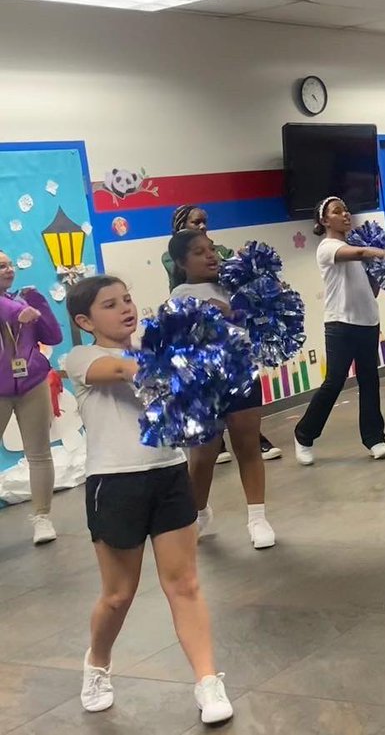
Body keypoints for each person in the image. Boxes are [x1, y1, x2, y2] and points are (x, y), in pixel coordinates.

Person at [65, 275, 233, 724]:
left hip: (169, 474)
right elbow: (120, 371)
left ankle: (207, 680)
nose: (124, 308)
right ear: (85, 320)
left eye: (127, 299)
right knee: (119, 595)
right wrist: (169, 364)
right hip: (114, 484)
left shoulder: (158, 345)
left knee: (185, 585)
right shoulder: (81, 357)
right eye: (109, 305)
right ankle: (97, 663)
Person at [168, 230, 275, 549]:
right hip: (204, 381)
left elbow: (260, 320)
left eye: (211, 249)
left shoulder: (233, 285)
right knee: (204, 455)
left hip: (241, 372)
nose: (210, 255)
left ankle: (257, 518)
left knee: (247, 445)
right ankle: (198, 514)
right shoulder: (180, 293)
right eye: (199, 252)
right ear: (180, 261)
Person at [162, 205, 281, 463]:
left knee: (245, 427)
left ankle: (252, 442)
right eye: (196, 222)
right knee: (204, 451)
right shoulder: (172, 259)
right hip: (204, 358)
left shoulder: (221, 257)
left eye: (205, 222)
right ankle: (214, 454)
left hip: (237, 360)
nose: (203, 226)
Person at [293, 197, 385, 466]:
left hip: (368, 322)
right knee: (334, 380)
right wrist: (384, 252)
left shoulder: (355, 249)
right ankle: (304, 434)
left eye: (347, 210)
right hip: (340, 323)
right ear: (325, 221)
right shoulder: (327, 247)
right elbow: (361, 254)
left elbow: (371, 290)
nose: (346, 214)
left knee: (370, 380)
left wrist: (379, 273)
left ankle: (374, 438)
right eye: (337, 211)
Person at [0, 250, 63, 545]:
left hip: (32, 383)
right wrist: (17, 312)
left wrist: (39, 303)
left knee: (39, 453)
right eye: (1, 266)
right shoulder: (12, 306)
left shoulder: (21, 300)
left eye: (10, 264)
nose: (8, 270)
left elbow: (53, 338)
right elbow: (7, 312)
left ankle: (42, 517)